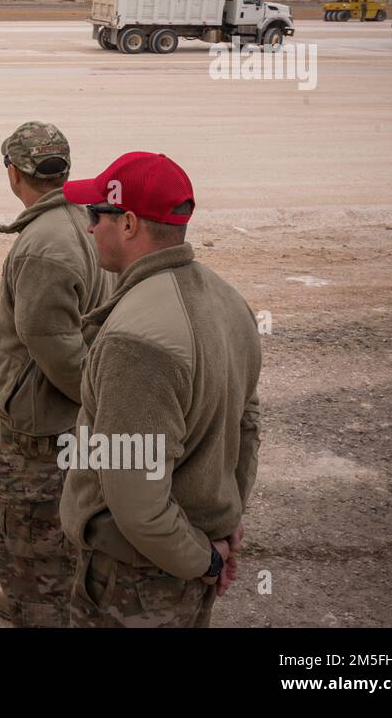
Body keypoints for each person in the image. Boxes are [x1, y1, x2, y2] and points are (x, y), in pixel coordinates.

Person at [58, 151, 262, 627]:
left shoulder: (137, 340)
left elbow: (135, 500)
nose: (89, 228)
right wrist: (223, 528)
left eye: (96, 215)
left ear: (128, 224)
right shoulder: (229, 300)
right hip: (189, 548)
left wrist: (204, 560)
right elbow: (245, 430)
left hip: (139, 576)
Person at [0, 122, 112, 627]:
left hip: (43, 421)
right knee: (63, 522)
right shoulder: (83, 219)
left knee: (30, 534)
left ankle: (39, 609)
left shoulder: (42, 244)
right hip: (69, 412)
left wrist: (91, 401)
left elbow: (55, 346)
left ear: (14, 173)